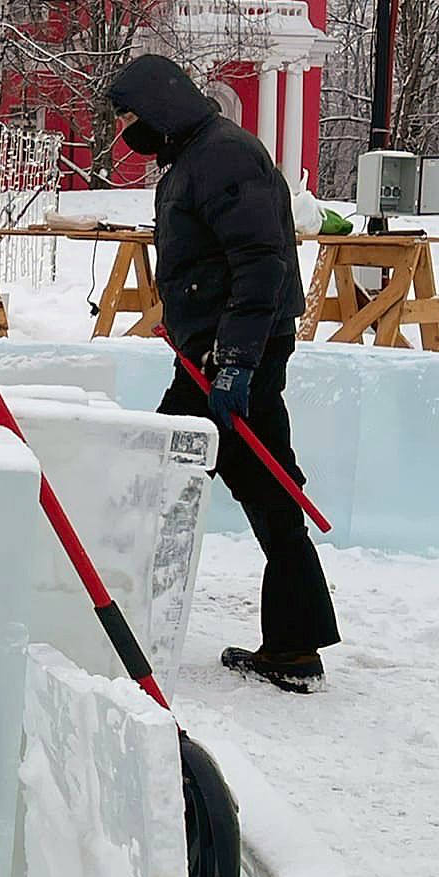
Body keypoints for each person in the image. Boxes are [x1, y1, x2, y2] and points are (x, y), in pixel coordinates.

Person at [108, 53, 340, 692]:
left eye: (128, 116)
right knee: (243, 484)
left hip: (235, 357)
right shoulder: (195, 155)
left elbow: (261, 263)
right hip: (212, 354)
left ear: (159, 107)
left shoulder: (224, 156)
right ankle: (293, 643)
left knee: (166, 476)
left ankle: (118, 618)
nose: (124, 131)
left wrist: (236, 363)